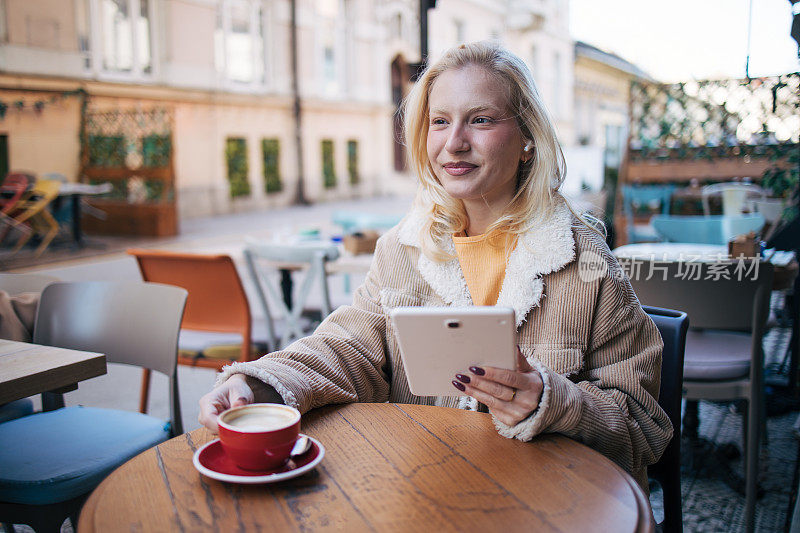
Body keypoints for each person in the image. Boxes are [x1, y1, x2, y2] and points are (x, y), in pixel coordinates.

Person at [199, 41, 672, 490]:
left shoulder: (585, 261)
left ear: (528, 137)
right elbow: (346, 350)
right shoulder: (403, 249)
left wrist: (555, 402)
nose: (455, 143)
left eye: (481, 120)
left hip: (549, 504)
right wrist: (257, 382)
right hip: (430, 487)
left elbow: (644, 428)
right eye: (440, 121)